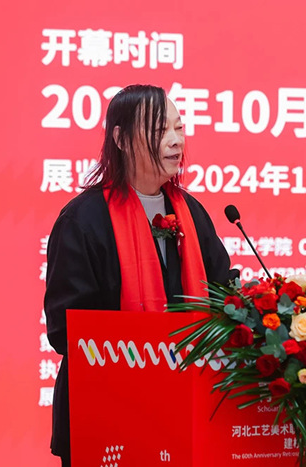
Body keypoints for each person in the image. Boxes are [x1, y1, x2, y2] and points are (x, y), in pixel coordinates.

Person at [43, 84, 237, 466]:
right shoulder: (83, 219)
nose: (176, 141)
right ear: (121, 138)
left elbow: (222, 292)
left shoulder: (191, 213)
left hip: (182, 416)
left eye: (179, 128)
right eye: (161, 130)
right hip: (103, 419)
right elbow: (65, 328)